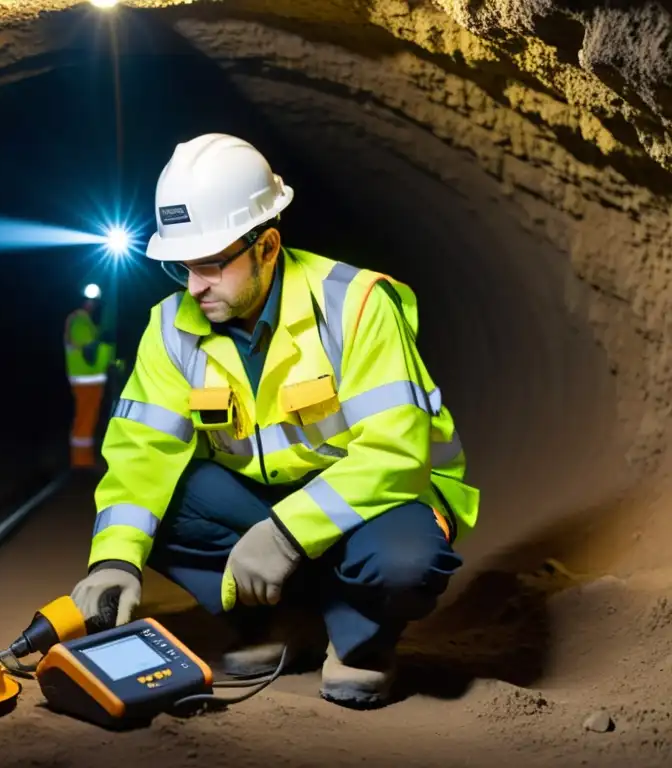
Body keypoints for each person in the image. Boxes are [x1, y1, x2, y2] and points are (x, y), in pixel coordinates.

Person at [69, 133, 480, 708]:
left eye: (212, 264)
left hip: (380, 503)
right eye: (183, 266)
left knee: (405, 562)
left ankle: (361, 641)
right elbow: (141, 454)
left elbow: (396, 453)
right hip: (257, 501)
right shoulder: (170, 328)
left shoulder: (355, 305)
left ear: (267, 246)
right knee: (157, 511)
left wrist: (287, 534)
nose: (195, 285)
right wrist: (114, 558)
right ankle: (283, 624)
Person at [63, 283, 114, 469]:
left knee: (87, 418)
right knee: (85, 418)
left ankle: (83, 459)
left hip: (89, 378)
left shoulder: (83, 321)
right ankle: (81, 461)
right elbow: (89, 348)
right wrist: (105, 346)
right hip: (86, 378)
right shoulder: (80, 321)